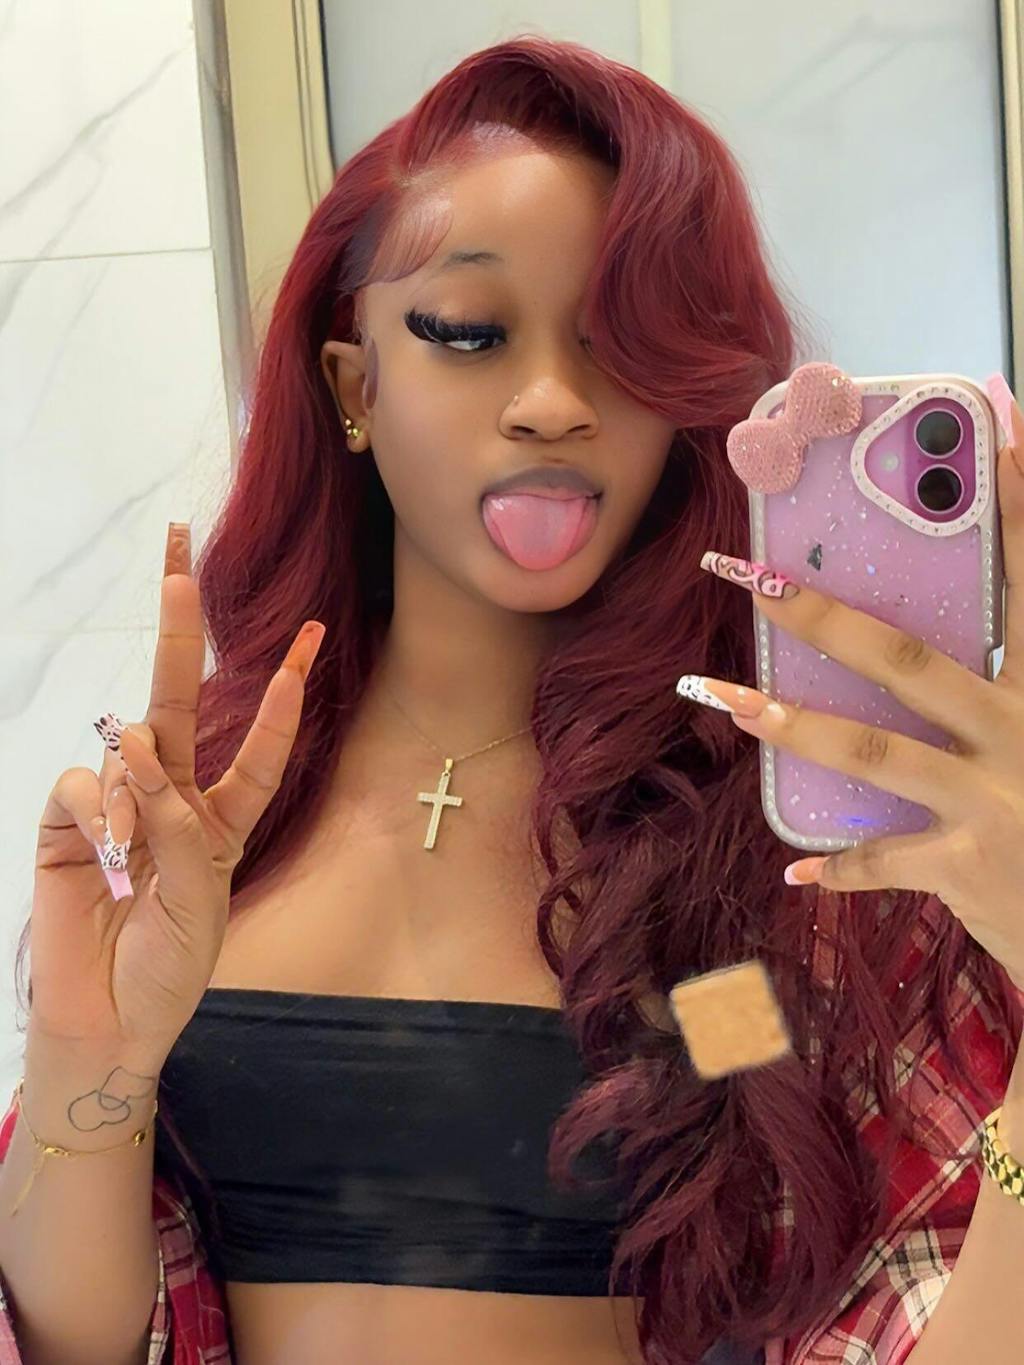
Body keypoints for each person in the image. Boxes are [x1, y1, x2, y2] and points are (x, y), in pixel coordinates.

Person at [0, 33, 1021, 1365]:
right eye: (468, 334)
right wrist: (87, 1066)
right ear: (354, 385)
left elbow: (882, 1276)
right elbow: (79, 1340)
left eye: (623, 346)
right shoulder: (217, 813)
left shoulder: (767, 861)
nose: (550, 403)